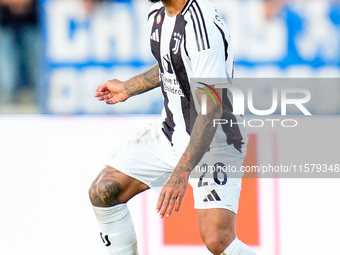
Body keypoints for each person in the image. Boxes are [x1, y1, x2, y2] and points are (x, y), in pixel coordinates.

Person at [89, 0, 256, 254]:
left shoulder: (201, 27)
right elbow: (173, 62)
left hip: (215, 141)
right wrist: (128, 87)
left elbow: (211, 109)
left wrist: (180, 173)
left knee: (217, 240)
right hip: (170, 132)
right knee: (104, 191)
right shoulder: (157, 12)